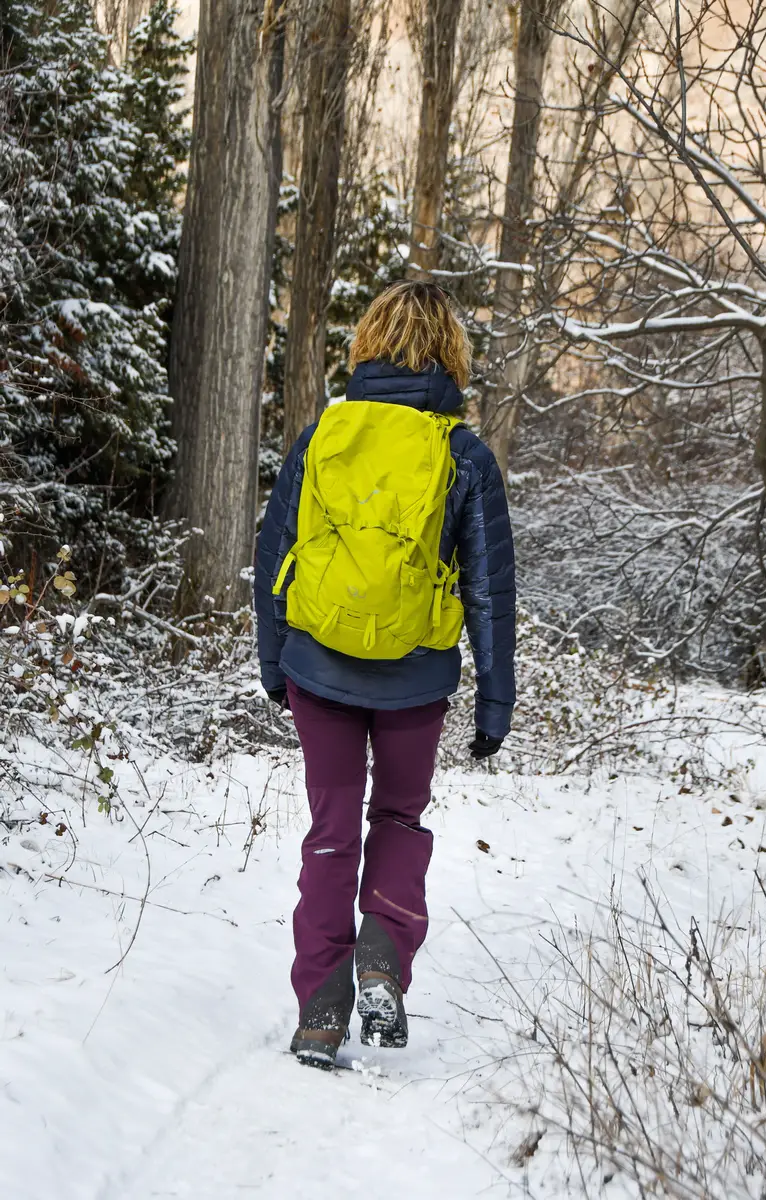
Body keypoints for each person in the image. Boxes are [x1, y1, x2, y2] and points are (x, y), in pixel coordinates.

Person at [254, 280, 516, 1069]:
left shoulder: (322, 436)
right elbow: (489, 587)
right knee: (398, 816)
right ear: (450, 354)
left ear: (367, 343)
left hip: (318, 664)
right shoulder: (462, 454)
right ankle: (382, 957)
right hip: (415, 676)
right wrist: (495, 700)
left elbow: (274, 554)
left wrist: (275, 661)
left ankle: (321, 1009)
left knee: (331, 831)